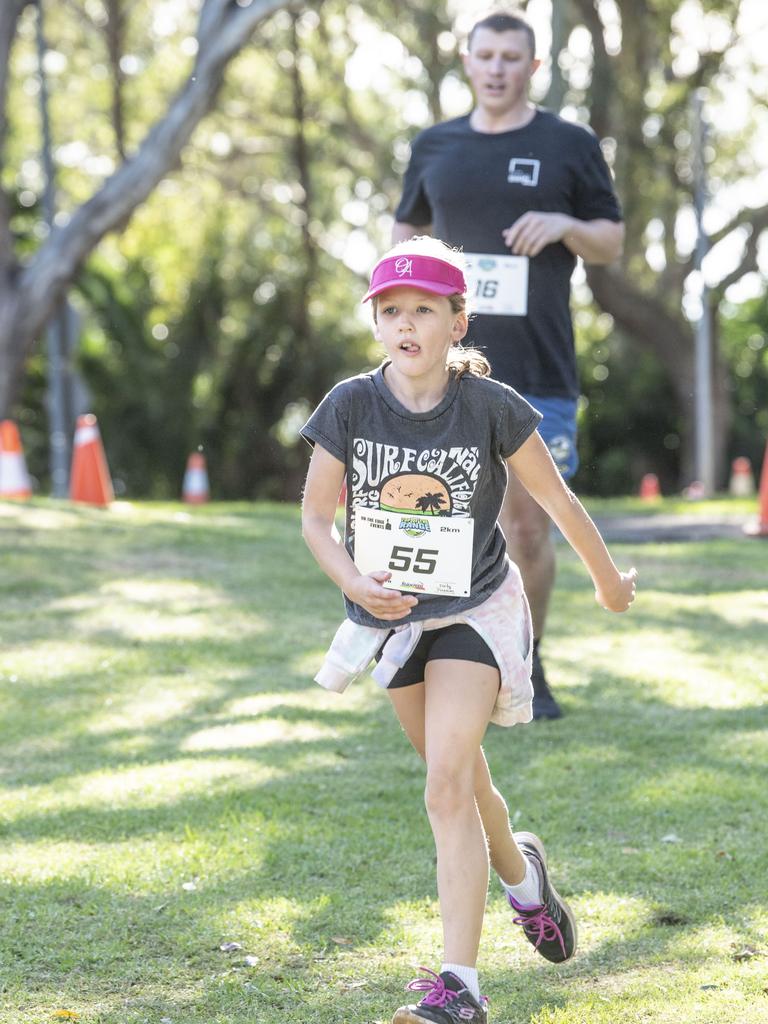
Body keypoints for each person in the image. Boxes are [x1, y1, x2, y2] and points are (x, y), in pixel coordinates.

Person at [301, 237, 636, 1024]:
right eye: (391, 312)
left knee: (444, 784)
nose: (406, 325)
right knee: (468, 780)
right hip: (394, 621)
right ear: (377, 324)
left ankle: (460, 988)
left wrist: (607, 580)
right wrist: (352, 580)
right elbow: (317, 518)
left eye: (424, 309)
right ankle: (525, 878)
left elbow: (556, 505)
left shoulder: (491, 406)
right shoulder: (349, 404)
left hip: (477, 611)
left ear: (458, 320)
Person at [392, 10, 625, 720]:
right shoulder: (436, 145)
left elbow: (611, 239)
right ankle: (446, 659)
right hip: (443, 367)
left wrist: (564, 226)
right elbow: (404, 235)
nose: (496, 68)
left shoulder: (569, 145)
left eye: (510, 58)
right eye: (485, 55)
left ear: (533, 67)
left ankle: (528, 659)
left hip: (538, 366)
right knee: (439, 516)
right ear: (467, 62)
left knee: (527, 527)